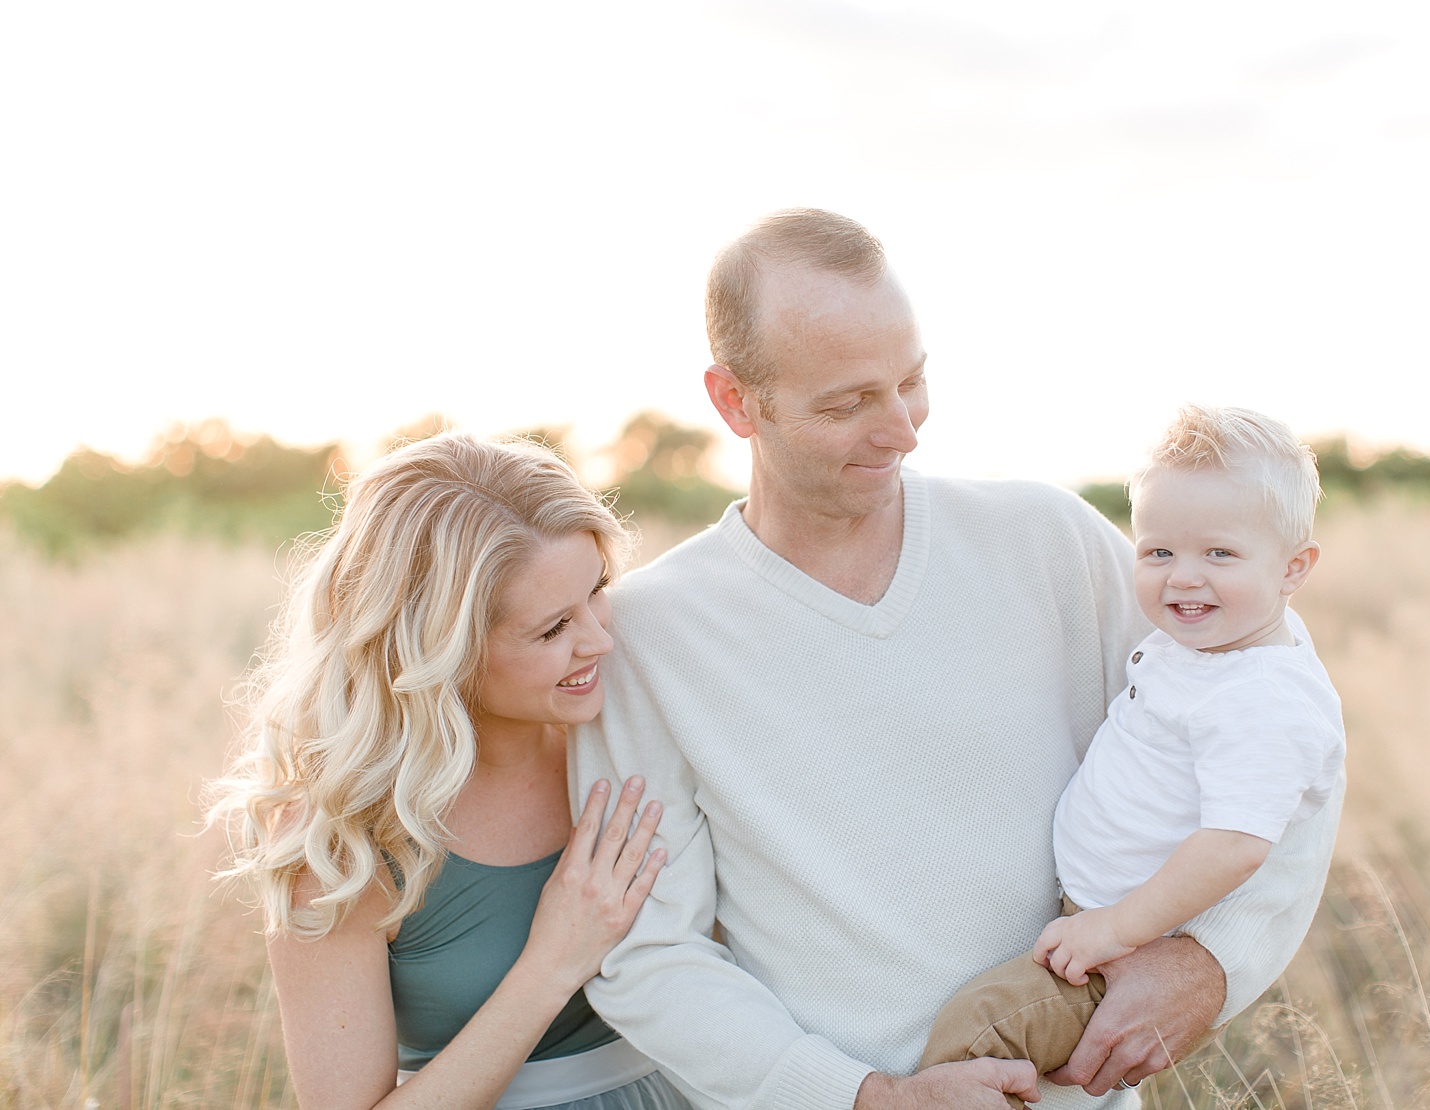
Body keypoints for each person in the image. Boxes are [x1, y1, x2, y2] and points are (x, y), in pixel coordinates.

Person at [573, 209, 1343, 1109]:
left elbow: (1283, 750)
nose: (902, 430)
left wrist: (1210, 961)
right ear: (735, 401)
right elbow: (647, 956)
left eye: (911, 381)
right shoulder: (650, 637)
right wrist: (868, 1098)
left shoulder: (1048, 542)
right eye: (848, 403)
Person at [206, 433, 692, 1110]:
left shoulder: (642, 730)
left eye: (598, 591)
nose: (600, 640)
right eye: (553, 629)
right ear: (440, 650)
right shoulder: (342, 840)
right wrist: (551, 965)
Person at [918, 406, 1345, 1101]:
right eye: (1158, 552)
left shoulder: (1263, 697)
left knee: (978, 1034)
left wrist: (1114, 930)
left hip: (1125, 949)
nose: (1182, 578)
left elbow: (1236, 845)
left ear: (1293, 568)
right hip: (1090, 919)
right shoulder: (1205, 645)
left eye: (1219, 554)